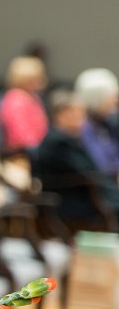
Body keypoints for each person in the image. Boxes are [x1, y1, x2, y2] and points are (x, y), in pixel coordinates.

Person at [32, 90, 119, 228]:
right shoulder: (57, 141)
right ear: (62, 115)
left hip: (86, 194)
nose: (82, 119)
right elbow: (85, 172)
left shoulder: (70, 138)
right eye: (77, 113)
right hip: (72, 202)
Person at [74, 68, 119, 178]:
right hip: (105, 186)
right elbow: (101, 165)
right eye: (112, 97)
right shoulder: (83, 128)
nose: (116, 101)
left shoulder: (108, 124)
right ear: (95, 99)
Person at [0, 56, 48, 151]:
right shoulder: (15, 99)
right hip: (22, 153)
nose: (40, 81)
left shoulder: (34, 97)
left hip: (38, 149)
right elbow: (20, 135)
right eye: (35, 79)